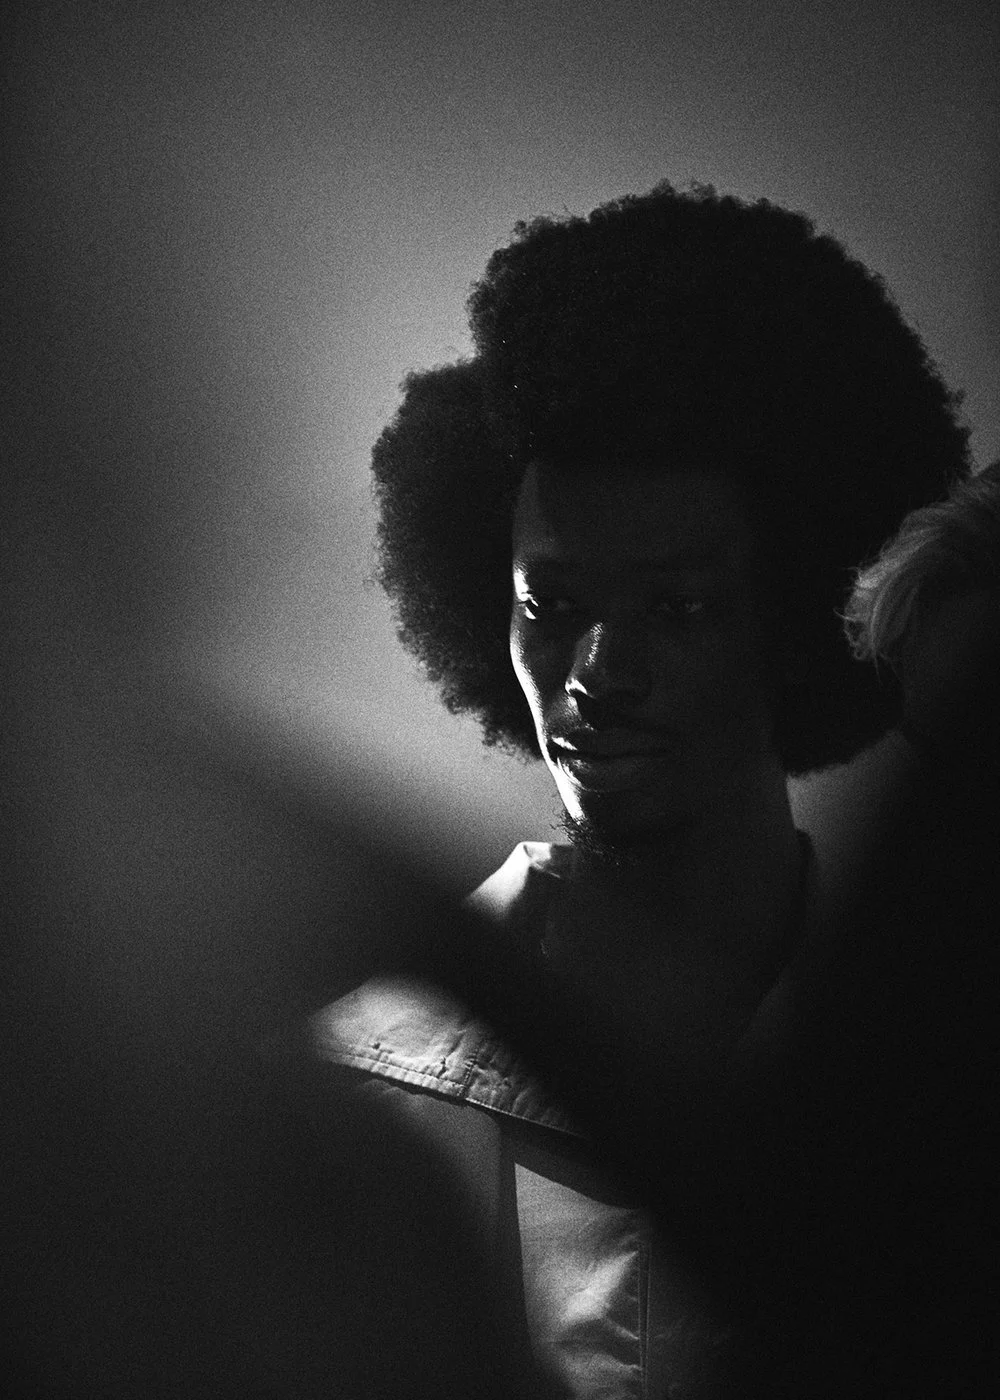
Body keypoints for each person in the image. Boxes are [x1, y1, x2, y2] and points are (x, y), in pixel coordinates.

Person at [308, 184, 979, 1397]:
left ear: (792, 619)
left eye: (678, 607)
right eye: (551, 607)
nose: (598, 674)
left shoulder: (943, 1082)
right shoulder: (341, 1091)